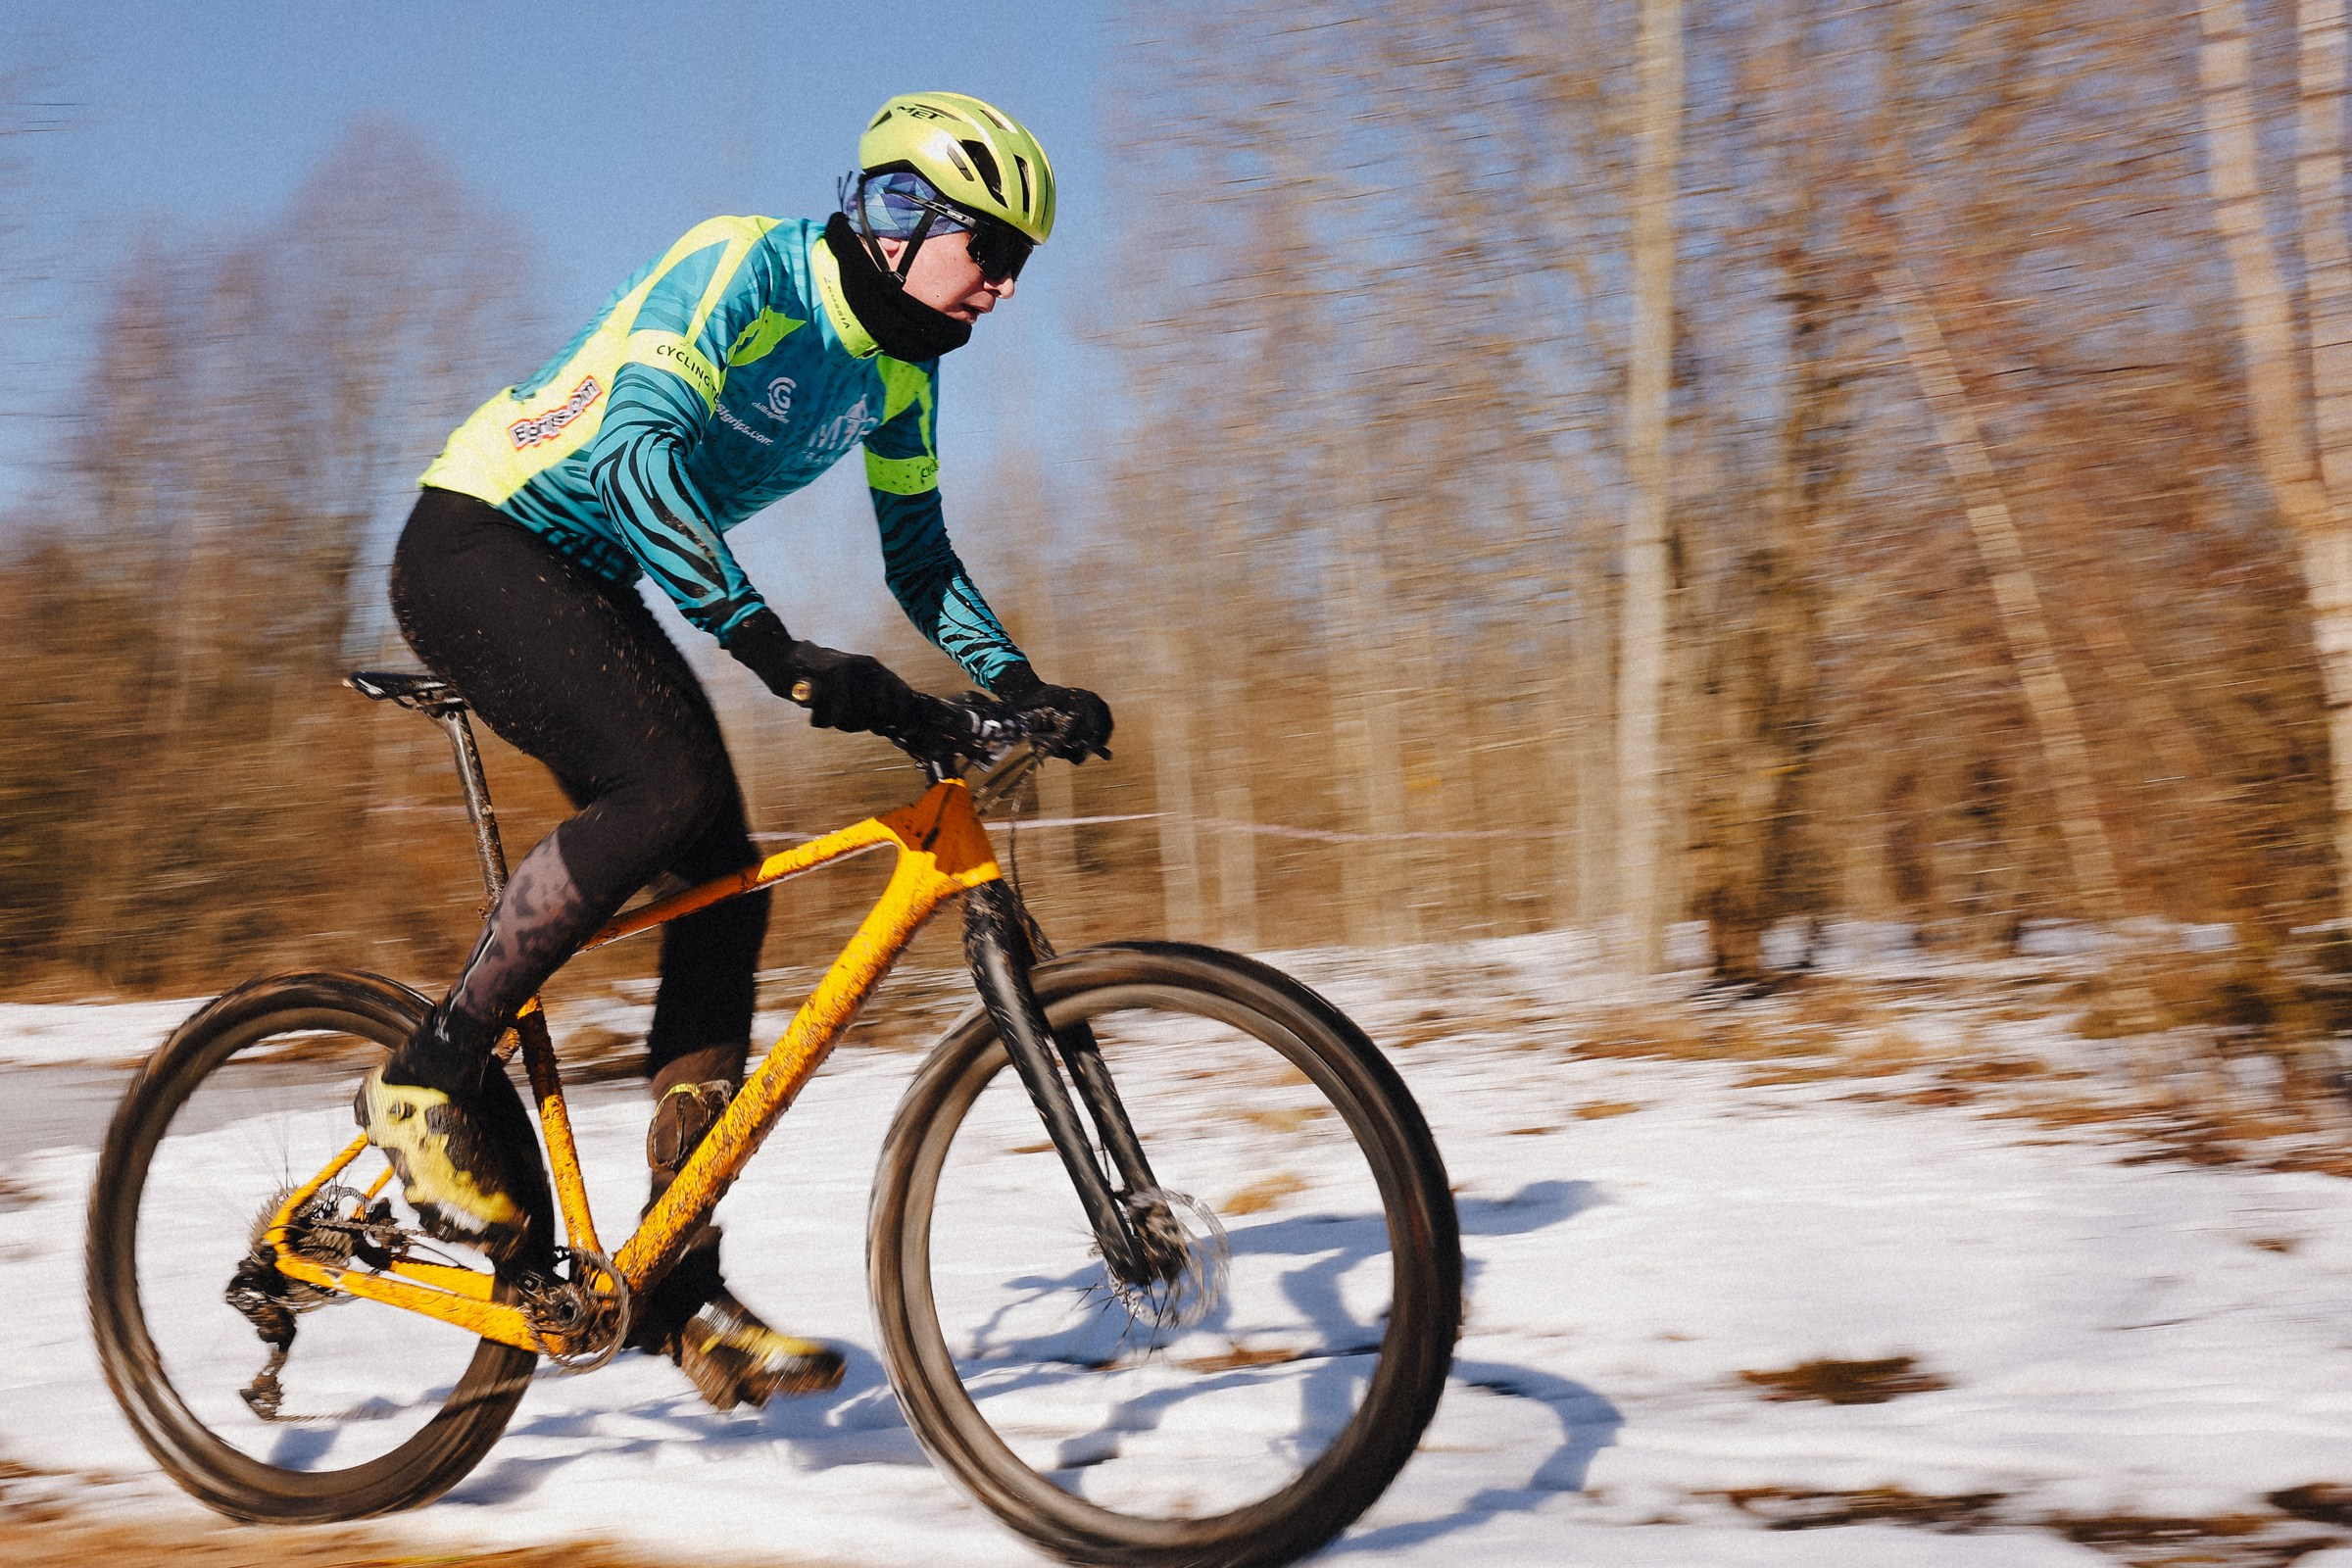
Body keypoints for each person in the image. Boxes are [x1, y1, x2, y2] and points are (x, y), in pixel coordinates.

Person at [352, 92, 1112, 1411]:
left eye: (1021, 264)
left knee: (722, 883)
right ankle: (424, 1078)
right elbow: (641, 457)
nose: (1002, 285)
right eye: (989, 250)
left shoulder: (904, 375)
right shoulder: (745, 266)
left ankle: (678, 1285)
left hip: (598, 586)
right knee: (673, 790)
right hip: (482, 541)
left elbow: (919, 561)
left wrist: (1017, 685)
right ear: (900, 215)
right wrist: (785, 653)